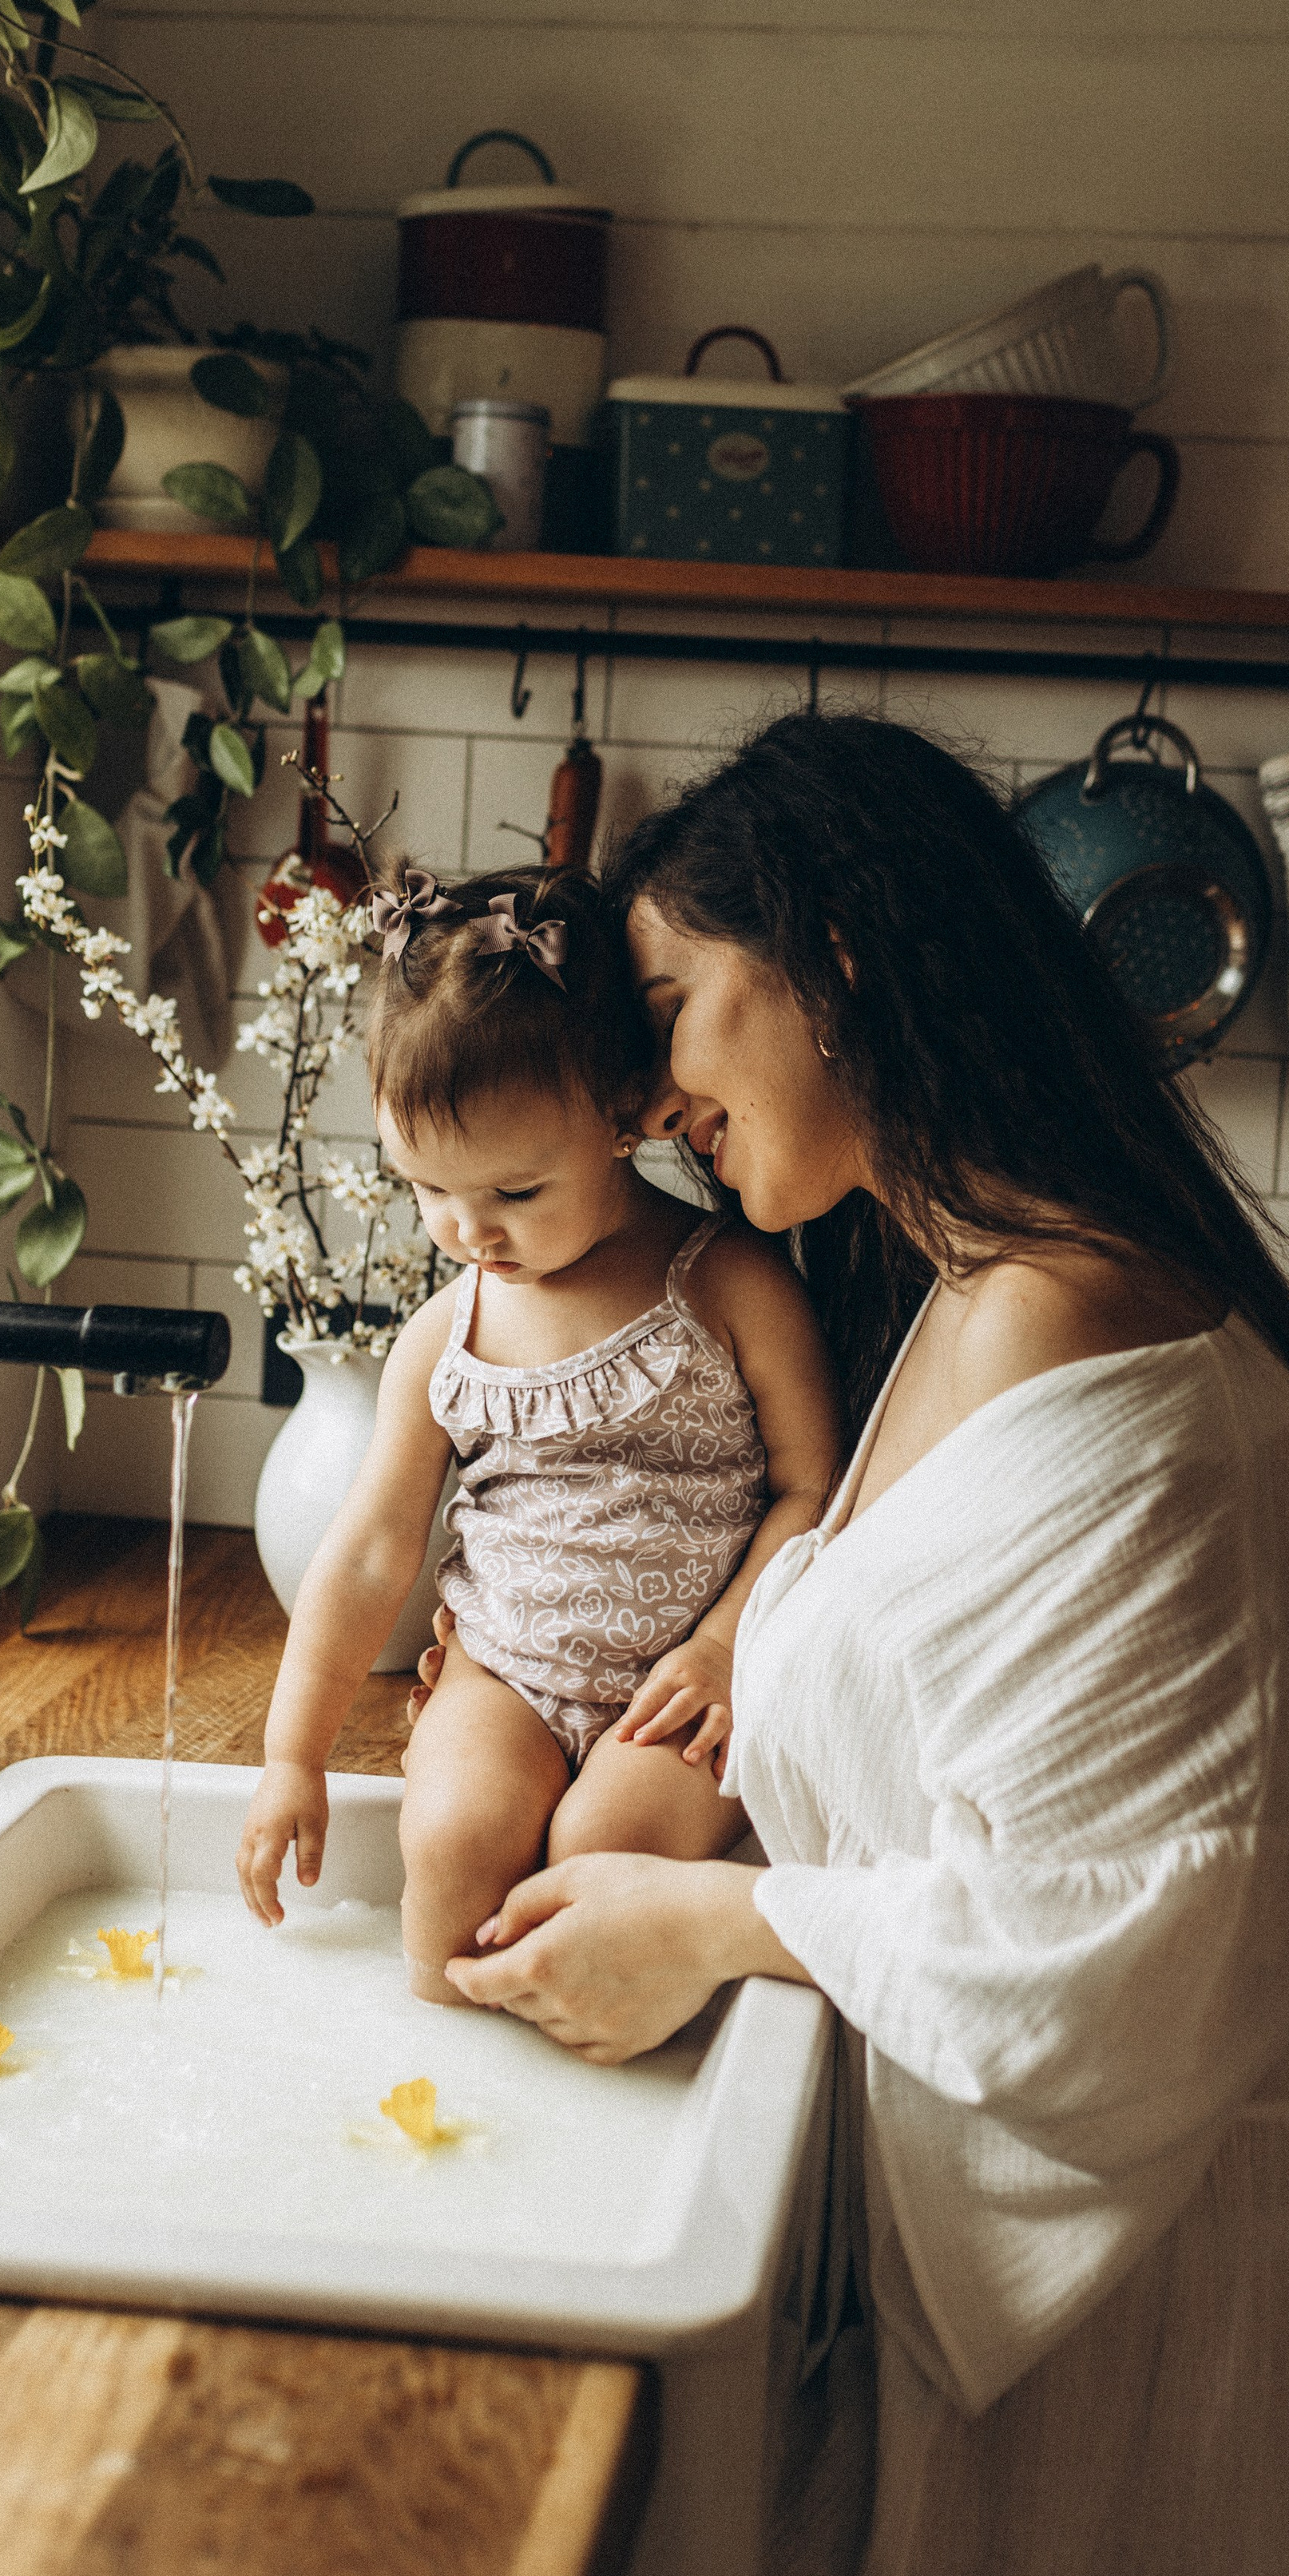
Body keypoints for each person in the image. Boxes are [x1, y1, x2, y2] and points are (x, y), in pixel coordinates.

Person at [436, 716, 1289, 2576]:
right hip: (1018, 2252)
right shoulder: (977, 1287)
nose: (643, 1101)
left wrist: (706, 1922)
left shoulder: (1086, 1341)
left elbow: (1151, 1945)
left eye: (675, 1010)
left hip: (1142, 2312)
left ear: (839, 952)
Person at [235, 858, 842, 2005]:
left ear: (621, 1112)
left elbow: (813, 1491)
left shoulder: (728, 1283)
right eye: (425, 1188)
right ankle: (439, 2084)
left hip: (680, 1690)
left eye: (516, 1191)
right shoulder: (445, 1335)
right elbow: (368, 1550)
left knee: (607, 1854)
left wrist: (723, 1650)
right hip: (502, 1676)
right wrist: (290, 1755)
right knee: (455, 1843)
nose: (470, 1231)